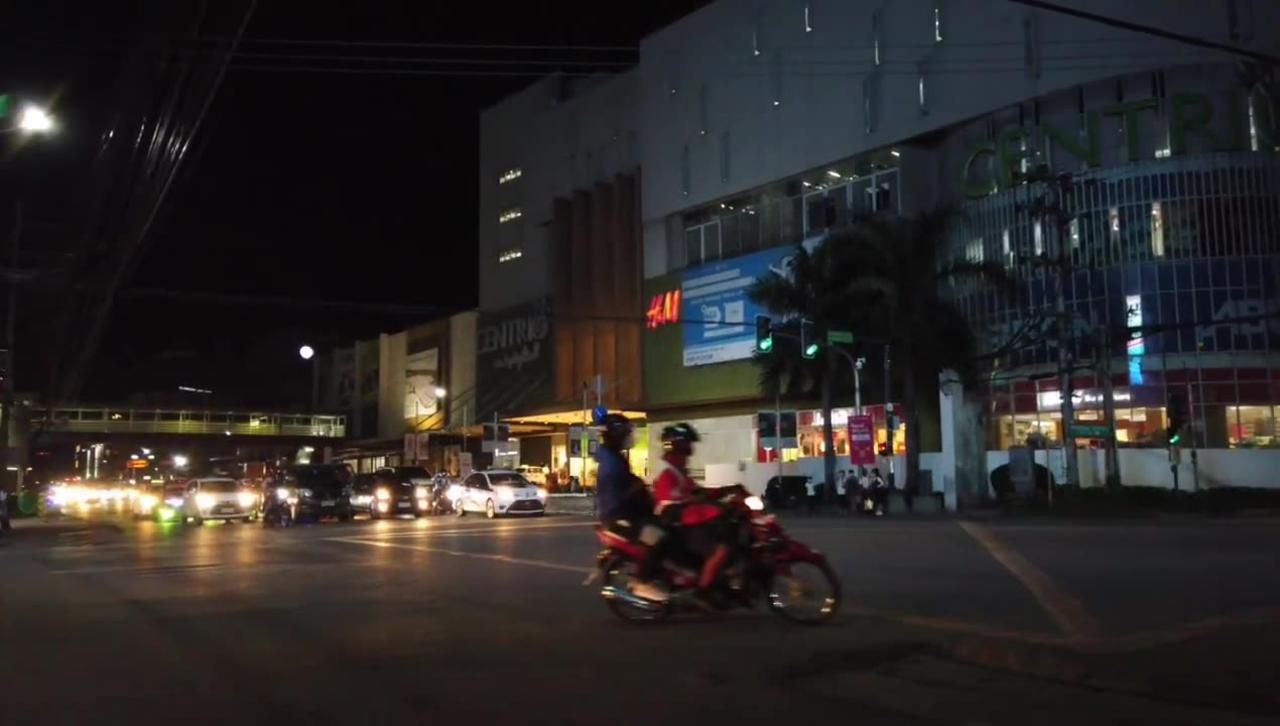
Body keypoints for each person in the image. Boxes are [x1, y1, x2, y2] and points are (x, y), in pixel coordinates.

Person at [652, 422, 732, 611]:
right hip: (678, 525)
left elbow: (696, 492)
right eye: (686, 446)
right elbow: (679, 501)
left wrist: (725, 491)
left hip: (687, 520)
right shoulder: (666, 472)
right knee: (721, 549)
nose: (689, 451)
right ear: (676, 447)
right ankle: (702, 592)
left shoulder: (678, 470)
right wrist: (712, 508)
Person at [594, 413, 666, 601]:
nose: (629, 437)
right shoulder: (611, 462)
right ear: (616, 435)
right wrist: (637, 489)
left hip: (626, 512)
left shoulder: (614, 457)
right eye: (626, 433)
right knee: (656, 536)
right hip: (619, 516)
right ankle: (640, 582)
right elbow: (616, 495)